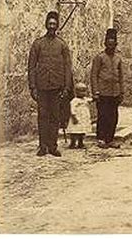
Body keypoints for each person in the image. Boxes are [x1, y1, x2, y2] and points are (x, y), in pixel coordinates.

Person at [28, 11, 73, 157]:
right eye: (50, 23)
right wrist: (33, 87)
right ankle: (43, 146)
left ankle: (53, 146)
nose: (52, 26)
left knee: (55, 117)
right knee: (43, 116)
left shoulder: (62, 45)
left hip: (56, 87)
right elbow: (31, 68)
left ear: (57, 26)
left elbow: (67, 68)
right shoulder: (38, 44)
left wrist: (66, 87)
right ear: (46, 25)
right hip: (42, 87)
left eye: (54, 24)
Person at [91, 28, 124, 149]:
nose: (111, 46)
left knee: (113, 117)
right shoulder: (99, 58)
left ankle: (110, 139)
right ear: (105, 44)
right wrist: (95, 92)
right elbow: (94, 75)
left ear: (116, 44)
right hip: (103, 92)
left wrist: (121, 92)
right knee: (103, 116)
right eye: (108, 44)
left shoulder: (118, 58)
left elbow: (121, 76)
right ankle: (101, 138)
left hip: (114, 92)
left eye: (113, 44)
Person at [67, 82, 92, 149]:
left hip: (83, 118)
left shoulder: (85, 99)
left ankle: (81, 143)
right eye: (81, 91)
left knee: (82, 130)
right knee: (74, 131)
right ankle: (73, 143)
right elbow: (72, 110)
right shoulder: (74, 101)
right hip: (77, 117)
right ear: (76, 92)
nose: (83, 93)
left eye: (84, 91)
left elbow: (91, 100)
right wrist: (74, 117)